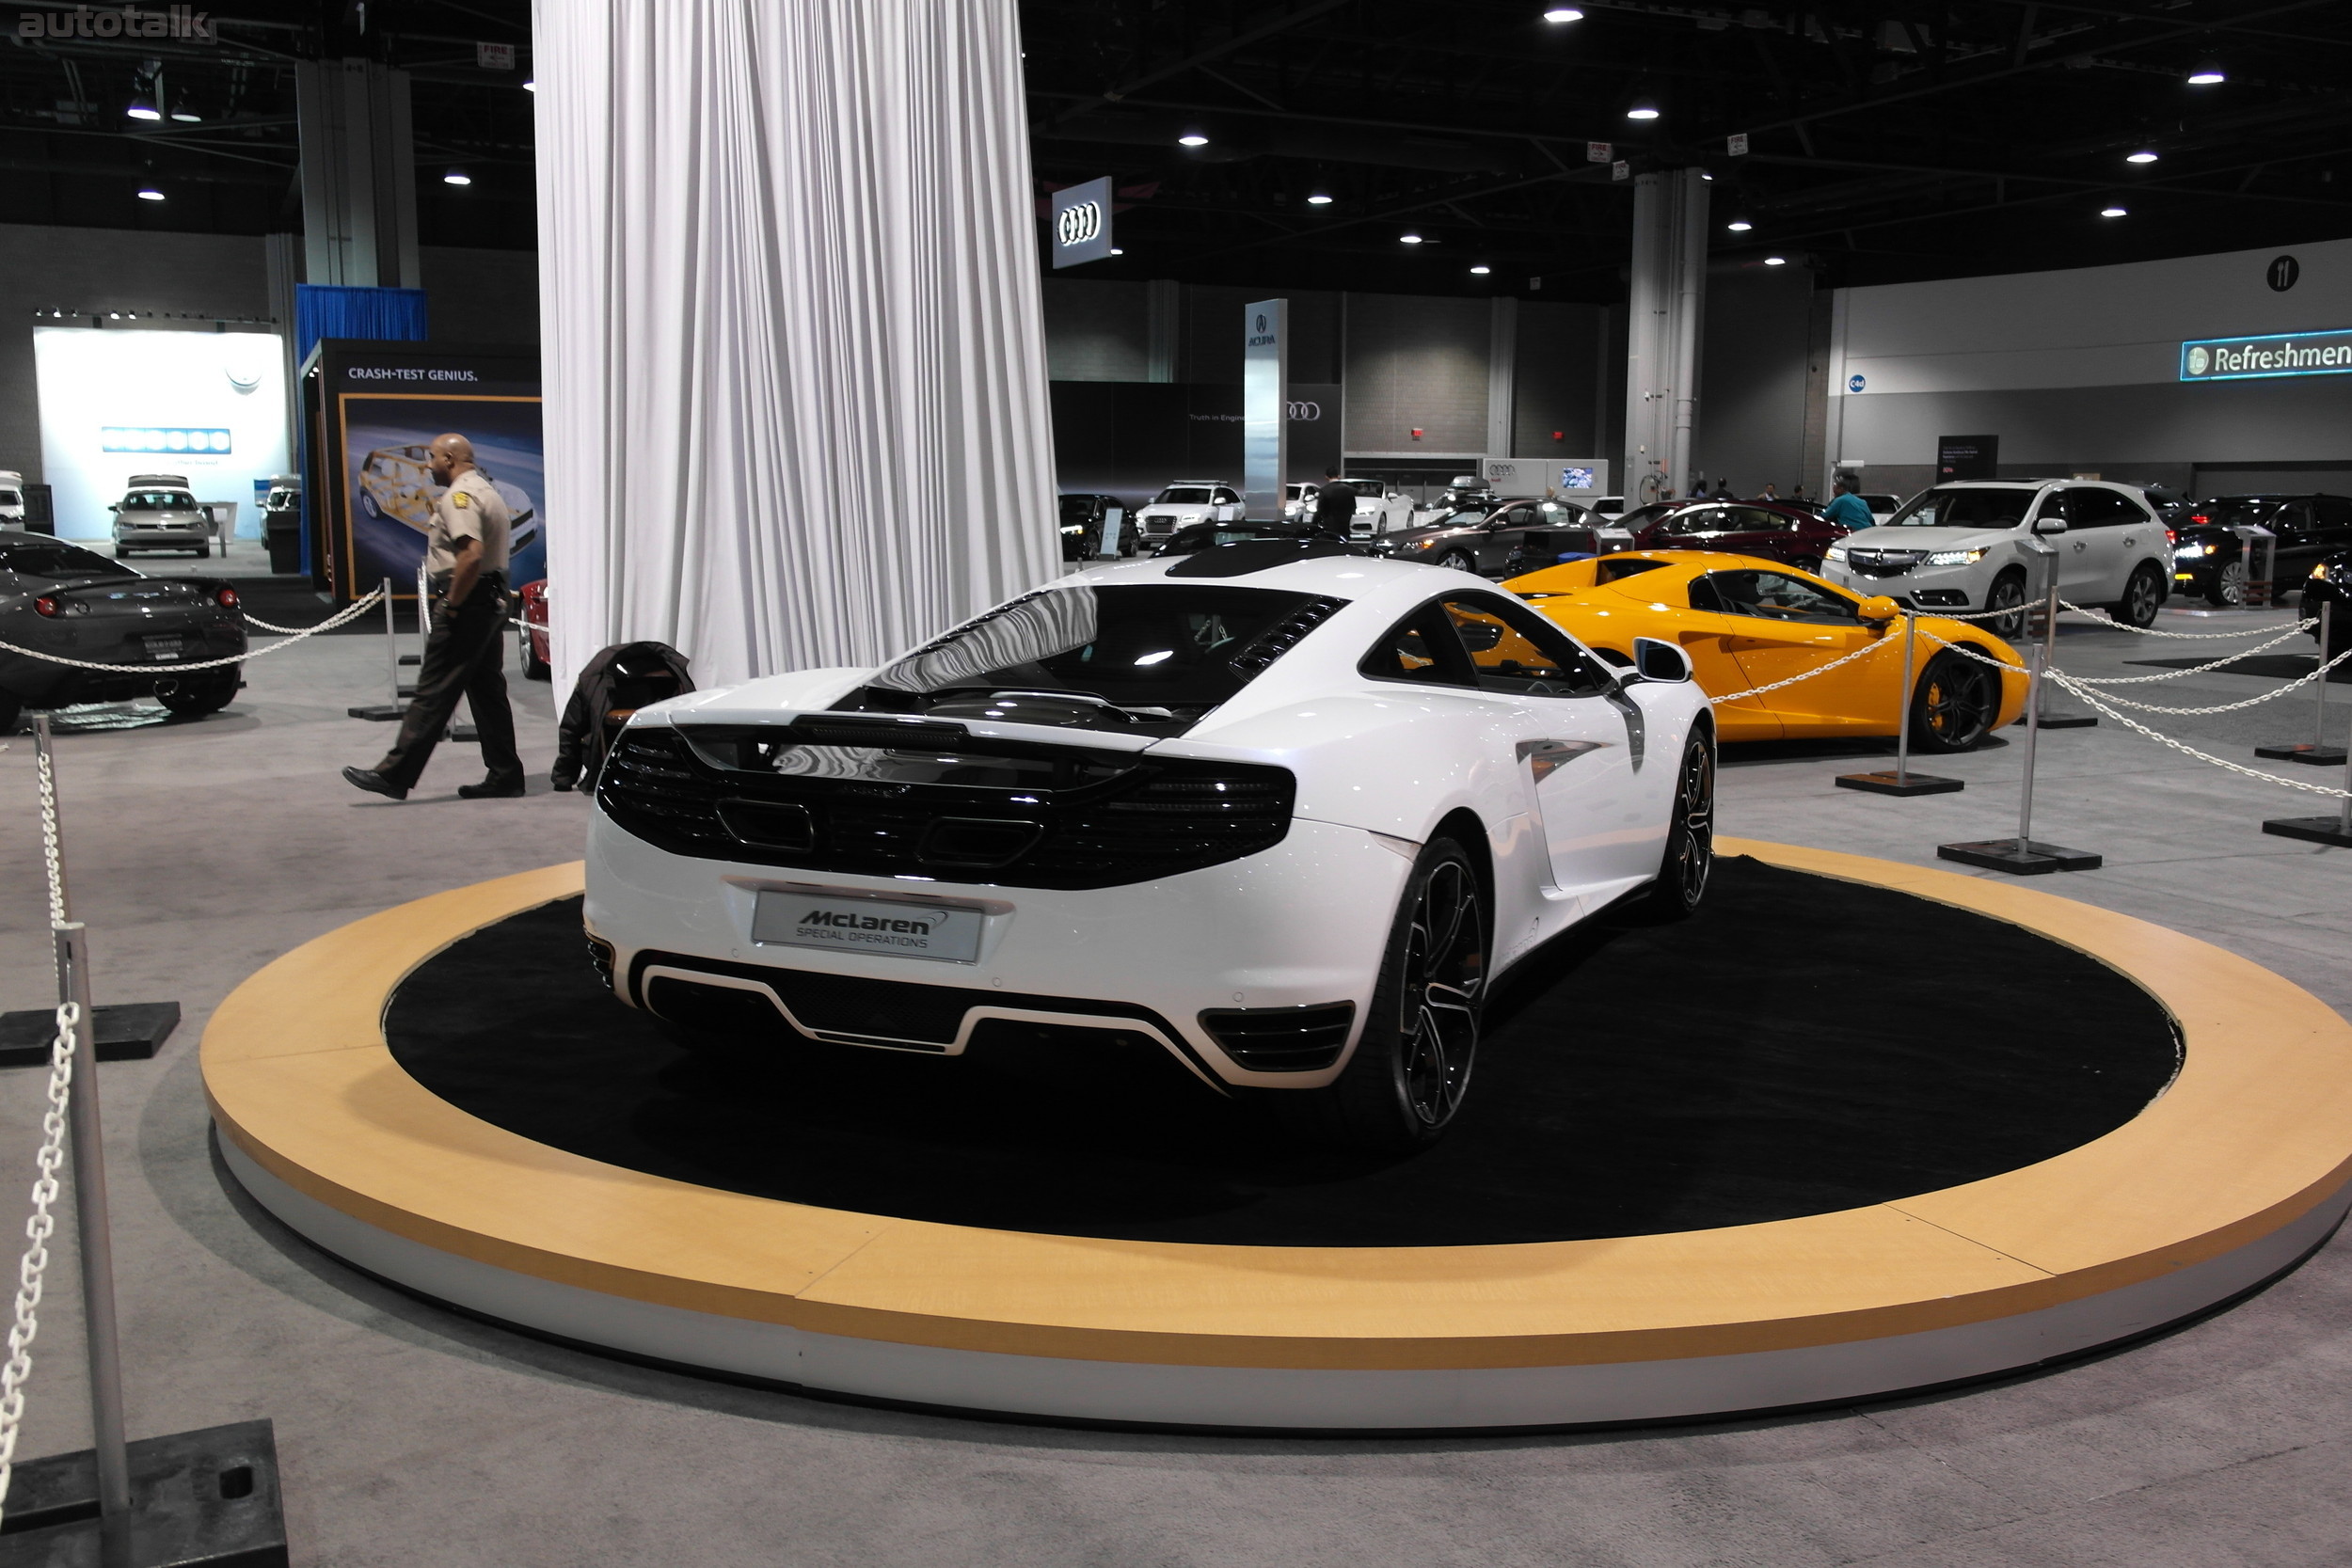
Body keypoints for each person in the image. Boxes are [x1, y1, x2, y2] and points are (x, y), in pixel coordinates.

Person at [342, 433, 523, 800]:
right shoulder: (489, 492)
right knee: (488, 693)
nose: (428, 465)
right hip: (489, 604)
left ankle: (395, 775)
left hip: (468, 604)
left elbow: (470, 555)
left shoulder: (459, 497)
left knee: (433, 691)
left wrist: (453, 605)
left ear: (451, 459)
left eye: (432, 458)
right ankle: (505, 774)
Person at [1311, 467, 1357, 539]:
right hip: (1345, 527)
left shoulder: (1324, 490)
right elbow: (1353, 508)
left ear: (1326, 477)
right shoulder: (1349, 490)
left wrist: (1313, 524)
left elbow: (1320, 510)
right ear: (1338, 476)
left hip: (1330, 528)